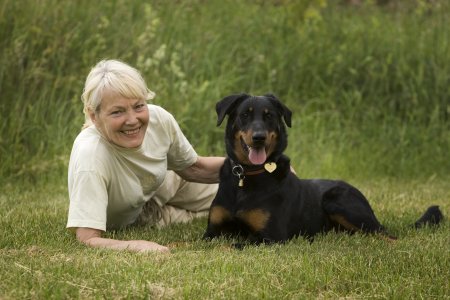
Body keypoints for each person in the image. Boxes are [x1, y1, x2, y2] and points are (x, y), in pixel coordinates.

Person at [67, 59, 224, 253]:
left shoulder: (159, 119)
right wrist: (136, 246)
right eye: (117, 112)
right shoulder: (91, 157)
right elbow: (87, 238)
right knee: (225, 213)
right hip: (142, 215)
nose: (133, 120)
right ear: (94, 116)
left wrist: (253, 166)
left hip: (164, 181)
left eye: (139, 106)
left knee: (242, 191)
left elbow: (194, 168)